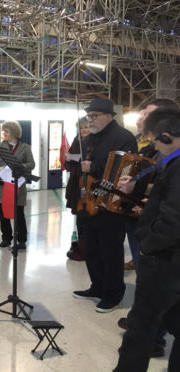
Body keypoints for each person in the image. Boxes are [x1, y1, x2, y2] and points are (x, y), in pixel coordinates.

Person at [114, 108, 180, 372]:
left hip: (165, 259)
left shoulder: (176, 165)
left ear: (166, 137)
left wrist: (149, 246)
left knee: (140, 328)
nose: (153, 146)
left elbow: (174, 219)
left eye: (153, 140)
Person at [72, 98, 137, 313]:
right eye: (89, 116)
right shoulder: (90, 138)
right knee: (91, 249)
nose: (90, 120)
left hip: (111, 203)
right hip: (89, 201)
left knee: (111, 251)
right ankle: (97, 286)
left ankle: (113, 293)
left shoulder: (124, 138)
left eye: (94, 116)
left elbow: (125, 170)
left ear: (109, 116)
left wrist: (94, 166)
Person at [0, 121, 35, 250]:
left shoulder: (25, 147)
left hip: (18, 185)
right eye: (3, 131)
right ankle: (6, 237)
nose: (4, 133)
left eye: (6, 131)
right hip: (2, 186)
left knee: (19, 213)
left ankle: (21, 239)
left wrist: (19, 166)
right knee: (3, 213)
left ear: (14, 132)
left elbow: (31, 164)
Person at [65, 117, 90, 261]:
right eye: (81, 128)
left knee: (85, 214)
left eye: (86, 127)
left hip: (87, 181)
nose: (84, 130)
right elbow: (70, 159)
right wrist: (68, 159)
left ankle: (86, 246)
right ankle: (81, 246)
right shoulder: (76, 140)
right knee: (79, 215)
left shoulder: (93, 141)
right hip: (76, 182)